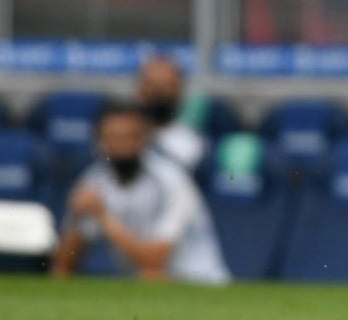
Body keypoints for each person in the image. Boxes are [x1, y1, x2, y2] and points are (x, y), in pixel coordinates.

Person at [51, 101, 230, 285]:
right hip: (143, 289)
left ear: (145, 139)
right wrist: (76, 219)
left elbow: (155, 261)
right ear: (99, 142)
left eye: (129, 137)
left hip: (199, 284)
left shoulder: (172, 180)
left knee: (153, 276)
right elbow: (63, 265)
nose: (122, 146)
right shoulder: (94, 182)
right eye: (113, 138)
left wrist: (103, 217)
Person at [136, 55, 206, 171]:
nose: (158, 93)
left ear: (180, 91)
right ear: (140, 88)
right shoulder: (116, 137)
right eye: (152, 85)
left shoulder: (193, 144)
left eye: (166, 86)